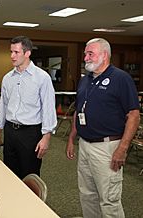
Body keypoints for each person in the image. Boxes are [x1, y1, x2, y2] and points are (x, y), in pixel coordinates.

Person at [66, 38, 140, 217]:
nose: (85, 58)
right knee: (87, 195)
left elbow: (134, 115)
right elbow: (79, 110)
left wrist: (122, 148)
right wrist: (71, 138)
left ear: (104, 55)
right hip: (85, 145)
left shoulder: (121, 78)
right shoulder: (85, 80)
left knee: (108, 200)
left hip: (107, 147)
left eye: (90, 54)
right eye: (85, 54)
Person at [0, 36, 57, 179]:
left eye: (16, 52)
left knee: (29, 174)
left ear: (27, 53)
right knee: (10, 174)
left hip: (30, 134)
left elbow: (48, 108)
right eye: (11, 52)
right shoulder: (7, 78)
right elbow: (3, 105)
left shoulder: (42, 77)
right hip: (10, 132)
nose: (12, 56)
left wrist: (46, 137)